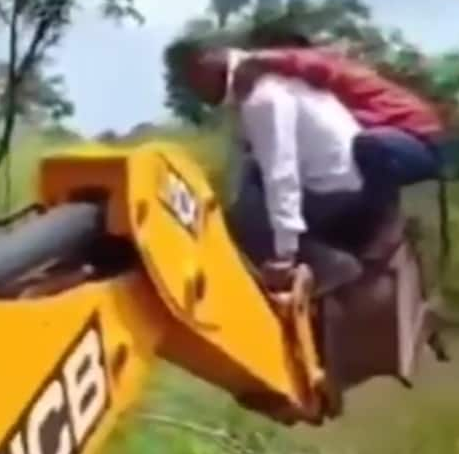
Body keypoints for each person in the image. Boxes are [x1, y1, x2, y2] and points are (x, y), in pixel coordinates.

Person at [181, 43, 445, 290]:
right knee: (250, 177)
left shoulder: (264, 99)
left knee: (241, 220)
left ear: (219, 75)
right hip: (350, 180)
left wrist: (285, 251)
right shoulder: (288, 86)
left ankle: (327, 265)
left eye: (200, 84)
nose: (199, 95)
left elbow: (281, 173)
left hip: (346, 189)